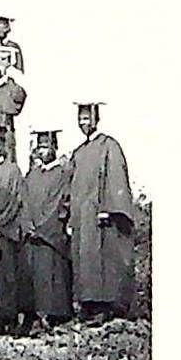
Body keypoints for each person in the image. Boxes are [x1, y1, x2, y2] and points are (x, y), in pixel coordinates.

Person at [68, 102, 135, 324]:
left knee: (102, 260)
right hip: (82, 216)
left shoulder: (109, 146)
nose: (83, 123)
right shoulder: (79, 152)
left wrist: (108, 207)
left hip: (101, 215)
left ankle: (105, 307)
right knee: (84, 259)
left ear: (96, 119)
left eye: (87, 118)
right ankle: (88, 305)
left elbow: (116, 177)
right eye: (80, 119)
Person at [0, 124, 34, 334]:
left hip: (6, 230)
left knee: (8, 277)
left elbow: (16, 202)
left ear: (4, 147)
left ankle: (9, 318)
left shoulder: (12, 170)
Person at [25, 129, 73, 328]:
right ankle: (35, 316)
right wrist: (28, 223)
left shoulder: (61, 174)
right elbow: (24, 200)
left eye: (46, 146)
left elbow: (59, 203)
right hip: (32, 234)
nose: (42, 151)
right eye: (40, 147)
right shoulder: (33, 174)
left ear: (55, 147)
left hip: (50, 236)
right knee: (34, 277)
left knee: (52, 276)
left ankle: (54, 316)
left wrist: (42, 227)